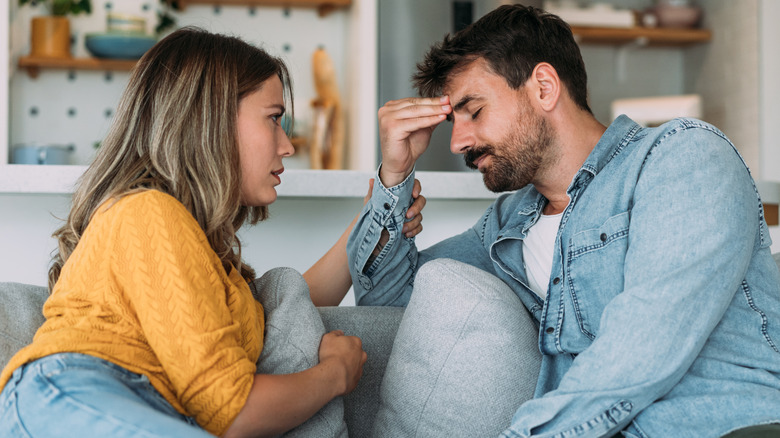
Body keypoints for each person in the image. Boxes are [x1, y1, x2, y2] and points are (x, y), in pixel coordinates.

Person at [347, 4, 780, 437]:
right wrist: (394, 175)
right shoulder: (508, 223)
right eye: (452, 122)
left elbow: (641, 351)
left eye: (474, 111)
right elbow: (392, 300)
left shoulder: (682, 158)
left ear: (544, 87)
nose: (459, 142)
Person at [0, 27, 427, 438]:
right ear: (212, 120)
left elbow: (295, 301)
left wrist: (384, 202)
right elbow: (233, 412)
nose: (288, 145)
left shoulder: (205, 259)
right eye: (274, 119)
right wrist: (334, 375)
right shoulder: (146, 212)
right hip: (76, 394)